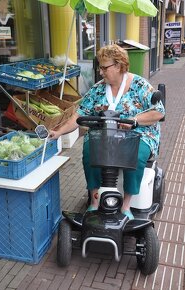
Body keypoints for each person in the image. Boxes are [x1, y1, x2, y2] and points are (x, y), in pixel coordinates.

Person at [49, 44, 165, 220]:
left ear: (118, 66)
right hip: (104, 134)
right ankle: (94, 201)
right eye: (100, 68)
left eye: (104, 68)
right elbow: (79, 115)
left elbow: (159, 112)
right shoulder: (98, 89)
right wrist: (59, 133)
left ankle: (126, 205)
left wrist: (135, 121)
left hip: (137, 133)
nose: (101, 72)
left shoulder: (140, 85)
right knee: (89, 151)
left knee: (136, 155)